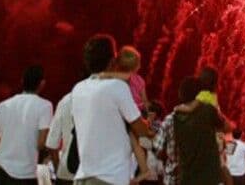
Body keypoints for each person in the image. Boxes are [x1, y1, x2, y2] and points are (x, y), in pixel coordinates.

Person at [71, 34, 151, 185]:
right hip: (110, 177)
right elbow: (141, 129)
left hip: (84, 175)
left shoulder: (78, 89)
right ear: (112, 60)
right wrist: (150, 125)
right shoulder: (117, 87)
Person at [0, 65, 53, 185]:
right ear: (42, 84)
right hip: (25, 174)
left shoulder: (4, 105)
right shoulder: (45, 106)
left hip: (0, 172)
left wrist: (8, 142)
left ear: (22, 81)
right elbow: (41, 143)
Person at [167, 76, 230, 185]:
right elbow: (227, 127)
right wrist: (216, 107)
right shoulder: (207, 110)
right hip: (208, 177)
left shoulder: (175, 116)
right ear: (200, 93)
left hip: (186, 177)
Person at [45, 89, 74, 185]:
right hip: (97, 174)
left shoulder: (66, 100)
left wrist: (58, 170)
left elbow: (51, 144)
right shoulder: (107, 99)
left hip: (67, 172)